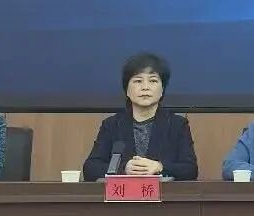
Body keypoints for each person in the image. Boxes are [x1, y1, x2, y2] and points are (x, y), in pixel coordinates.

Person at [83, 53, 198, 181]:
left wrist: (160, 167)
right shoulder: (112, 125)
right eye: (138, 81)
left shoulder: (177, 124)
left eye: (153, 81)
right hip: (122, 194)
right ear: (127, 90)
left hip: (163, 193)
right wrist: (123, 168)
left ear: (162, 90)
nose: (145, 87)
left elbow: (190, 169)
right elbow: (90, 168)